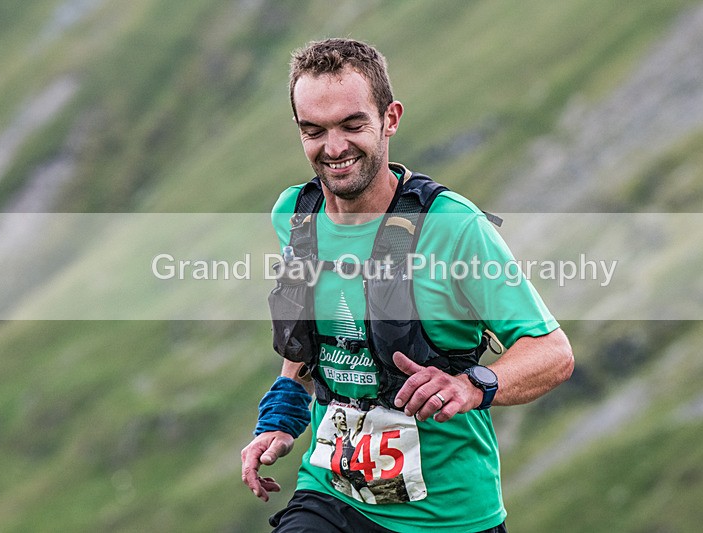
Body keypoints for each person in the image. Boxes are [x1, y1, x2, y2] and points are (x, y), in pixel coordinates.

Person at [241, 38, 574, 533]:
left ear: (390, 118)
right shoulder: (295, 215)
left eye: (353, 125)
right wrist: (281, 416)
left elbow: (552, 352)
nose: (334, 148)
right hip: (331, 495)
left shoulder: (455, 228)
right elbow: (309, 332)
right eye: (314, 130)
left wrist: (472, 386)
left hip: (447, 515)